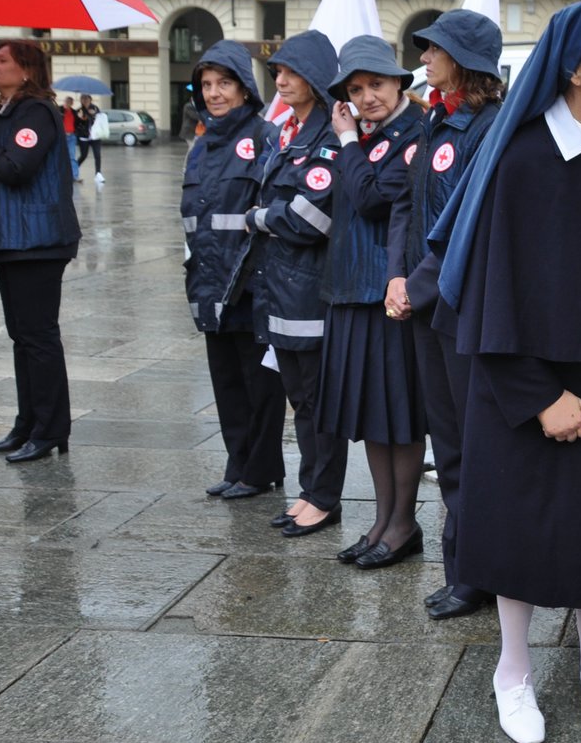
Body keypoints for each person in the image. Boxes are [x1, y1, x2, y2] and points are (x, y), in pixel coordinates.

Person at [432, 0, 581, 743]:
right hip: (522, 381)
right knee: (519, 529)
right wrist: (539, 397)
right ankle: (513, 669)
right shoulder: (522, 154)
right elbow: (489, 285)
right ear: (576, 71)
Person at [385, 10, 505, 620]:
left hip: (462, 311)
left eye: (434, 49)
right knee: (447, 442)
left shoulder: (488, 129)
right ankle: (461, 568)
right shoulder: (435, 119)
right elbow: (407, 205)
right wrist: (396, 276)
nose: (424, 58)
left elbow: (466, 224)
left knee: (469, 444)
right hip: (426, 305)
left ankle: (474, 573)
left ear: (464, 59)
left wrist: (419, 286)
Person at [320, 36, 429, 568]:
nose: (367, 97)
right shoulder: (370, 135)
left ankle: (404, 521)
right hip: (352, 291)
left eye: (376, 84)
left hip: (391, 293)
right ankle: (383, 520)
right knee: (371, 413)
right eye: (356, 89)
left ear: (400, 82)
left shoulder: (414, 133)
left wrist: (345, 141)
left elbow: (370, 200)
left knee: (399, 414)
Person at [243, 30, 349, 539]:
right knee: (300, 402)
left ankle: (325, 498)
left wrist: (261, 216)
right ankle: (310, 491)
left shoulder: (326, 139)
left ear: (315, 78)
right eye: (277, 72)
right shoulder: (291, 131)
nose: (280, 80)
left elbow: (311, 220)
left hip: (309, 294)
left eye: (290, 72)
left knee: (317, 402)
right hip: (282, 292)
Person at [183, 42, 287, 500]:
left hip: (250, 285)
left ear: (244, 89)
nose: (214, 93)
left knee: (260, 384)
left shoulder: (266, 137)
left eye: (223, 83)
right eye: (206, 85)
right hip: (209, 281)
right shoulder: (200, 146)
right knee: (226, 382)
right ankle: (237, 462)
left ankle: (260, 470)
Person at [0, 41, 82, 463]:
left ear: (26, 70)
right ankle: (28, 424)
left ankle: (52, 428)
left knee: (39, 337)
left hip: (37, 241)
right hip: (10, 240)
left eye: (2, 60)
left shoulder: (37, 112)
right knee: (22, 337)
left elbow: (14, 167)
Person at [75, 93, 105, 185]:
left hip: (95, 136)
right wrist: (79, 118)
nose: (84, 100)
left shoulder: (95, 109)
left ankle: (98, 174)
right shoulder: (79, 110)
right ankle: (73, 169)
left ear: (90, 99)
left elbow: (100, 120)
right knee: (83, 155)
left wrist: (94, 115)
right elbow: (77, 124)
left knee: (97, 155)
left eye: (86, 98)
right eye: (82, 99)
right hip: (83, 137)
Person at [60, 96, 80, 182]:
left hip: (72, 136)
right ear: (64, 101)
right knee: (60, 156)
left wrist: (81, 118)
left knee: (72, 156)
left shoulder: (74, 112)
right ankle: (61, 175)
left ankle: (74, 176)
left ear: (72, 103)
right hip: (62, 136)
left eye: (70, 102)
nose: (68, 103)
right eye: (67, 101)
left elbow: (78, 123)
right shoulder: (59, 110)